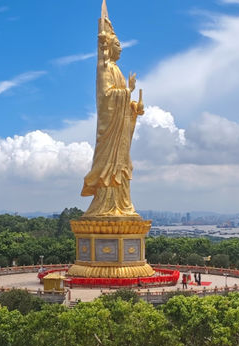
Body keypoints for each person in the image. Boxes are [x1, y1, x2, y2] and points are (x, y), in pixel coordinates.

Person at [80, 2, 145, 217]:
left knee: (123, 163)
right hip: (110, 129)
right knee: (110, 164)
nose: (121, 48)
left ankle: (121, 202)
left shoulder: (116, 69)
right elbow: (106, 96)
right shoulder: (105, 67)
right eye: (117, 44)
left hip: (120, 129)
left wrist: (133, 106)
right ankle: (105, 204)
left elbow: (120, 99)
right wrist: (128, 91)